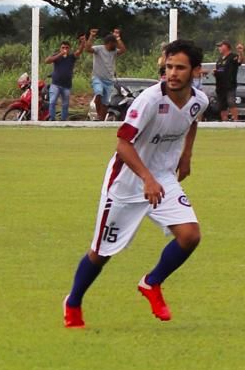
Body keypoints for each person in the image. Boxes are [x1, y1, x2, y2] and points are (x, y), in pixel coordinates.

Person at [63, 39, 207, 329]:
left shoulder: (198, 100)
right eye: (169, 67)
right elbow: (122, 145)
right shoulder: (150, 100)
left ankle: (151, 283)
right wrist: (147, 179)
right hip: (126, 182)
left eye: (180, 67)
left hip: (162, 177)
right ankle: (74, 301)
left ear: (196, 71)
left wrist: (187, 155)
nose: (173, 73)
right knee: (101, 253)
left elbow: (192, 121)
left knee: (190, 235)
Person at [89, 28, 126, 121]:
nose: (115, 45)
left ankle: (101, 119)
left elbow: (123, 50)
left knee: (105, 102)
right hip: (97, 77)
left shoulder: (114, 51)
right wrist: (91, 37)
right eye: (113, 43)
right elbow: (87, 49)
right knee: (98, 93)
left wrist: (118, 38)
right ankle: (98, 115)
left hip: (109, 80)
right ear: (107, 43)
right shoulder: (99, 49)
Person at [45, 37, 86, 121]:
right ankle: (52, 119)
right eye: (63, 47)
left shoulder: (71, 57)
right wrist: (60, 54)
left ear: (69, 48)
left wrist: (82, 43)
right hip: (55, 84)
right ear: (60, 48)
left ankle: (63, 121)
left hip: (66, 85)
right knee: (52, 101)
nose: (65, 49)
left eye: (67, 48)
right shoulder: (56, 56)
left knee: (65, 104)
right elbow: (47, 61)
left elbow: (79, 51)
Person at [212, 40, 245, 122]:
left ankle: (235, 121)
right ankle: (225, 122)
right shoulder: (220, 59)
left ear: (226, 47)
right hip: (220, 86)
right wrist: (215, 72)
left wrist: (241, 52)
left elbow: (240, 61)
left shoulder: (232, 56)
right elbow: (220, 70)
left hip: (229, 85)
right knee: (222, 105)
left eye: (221, 46)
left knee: (231, 102)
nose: (219, 48)